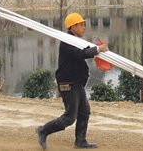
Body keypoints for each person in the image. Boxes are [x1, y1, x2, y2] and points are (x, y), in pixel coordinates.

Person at [36, 13, 109, 149]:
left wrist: (97, 51)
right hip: (68, 84)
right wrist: (98, 49)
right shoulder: (67, 41)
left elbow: (83, 52)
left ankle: (80, 141)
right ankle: (43, 130)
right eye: (81, 25)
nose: (83, 28)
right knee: (70, 117)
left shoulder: (75, 41)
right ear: (73, 26)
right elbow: (80, 54)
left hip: (76, 83)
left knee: (84, 112)